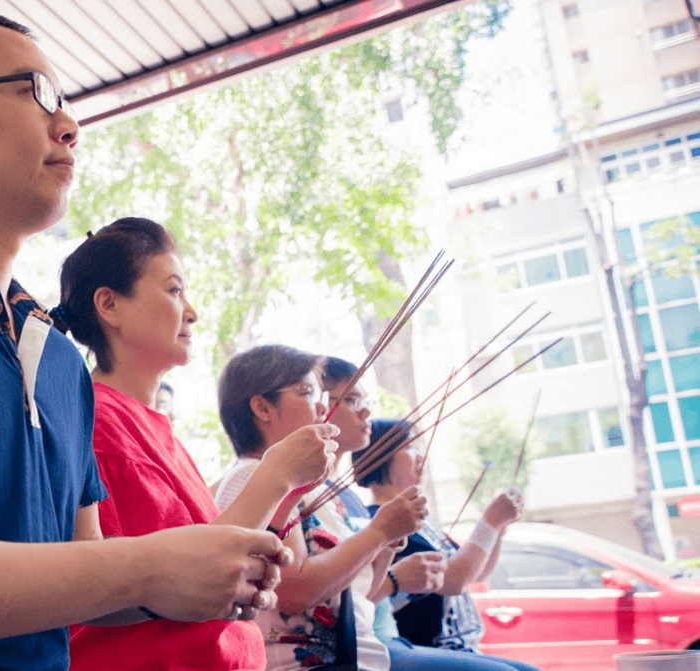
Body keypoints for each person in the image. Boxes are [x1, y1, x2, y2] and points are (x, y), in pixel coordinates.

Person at [0, 15, 289, 670]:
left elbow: (83, 575)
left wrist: (182, 580)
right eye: (35, 91)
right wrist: (144, 566)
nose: (68, 124)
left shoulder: (60, 359)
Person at [55, 217, 339, 670]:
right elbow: (178, 575)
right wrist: (276, 474)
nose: (192, 312)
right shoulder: (99, 424)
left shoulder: (150, 426)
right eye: (173, 291)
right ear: (109, 305)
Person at [215, 345, 431, 671]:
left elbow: (358, 592)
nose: (320, 406)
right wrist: (379, 531)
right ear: (262, 407)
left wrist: (388, 538)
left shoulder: (307, 484)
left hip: (358, 656)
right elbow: (296, 593)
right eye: (305, 392)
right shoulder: (255, 476)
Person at [353, 418, 540, 671]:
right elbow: (454, 579)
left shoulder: (420, 519)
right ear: (381, 455)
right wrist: (489, 525)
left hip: (459, 646)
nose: (422, 456)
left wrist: (497, 530)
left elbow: (477, 571)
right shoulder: (381, 519)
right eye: (410, 447)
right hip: (429, 647)